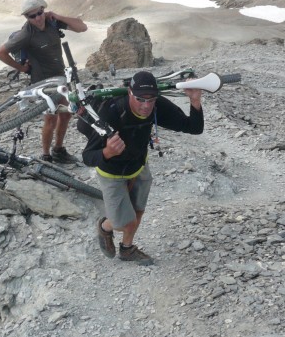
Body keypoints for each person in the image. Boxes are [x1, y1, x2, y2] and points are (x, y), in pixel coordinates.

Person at [82, 70, 204, 265]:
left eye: (151, 99)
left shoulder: (157, 107)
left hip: (138, 166)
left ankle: (127, 249)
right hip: (111, 173)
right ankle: (105, 227)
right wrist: (107, 152)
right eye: (140, 99)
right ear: (130, 93)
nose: (146, 105)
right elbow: (87, 157)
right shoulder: (111, 112)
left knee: (138, 210)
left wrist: (195, 101)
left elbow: (193, 128)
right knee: (124, 222)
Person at [0, 0, 87, 163]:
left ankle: (58, 149)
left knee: (65, 115)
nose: (37, 18)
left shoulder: (52, 22)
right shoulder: (26, 34)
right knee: (51, 118)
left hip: (61, 78)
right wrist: (21, 68)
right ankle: (46, 155)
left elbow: (82, 27)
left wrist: (57, 16)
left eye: (40, 13)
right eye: (32, 16)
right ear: (26, 18)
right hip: (44, 83)